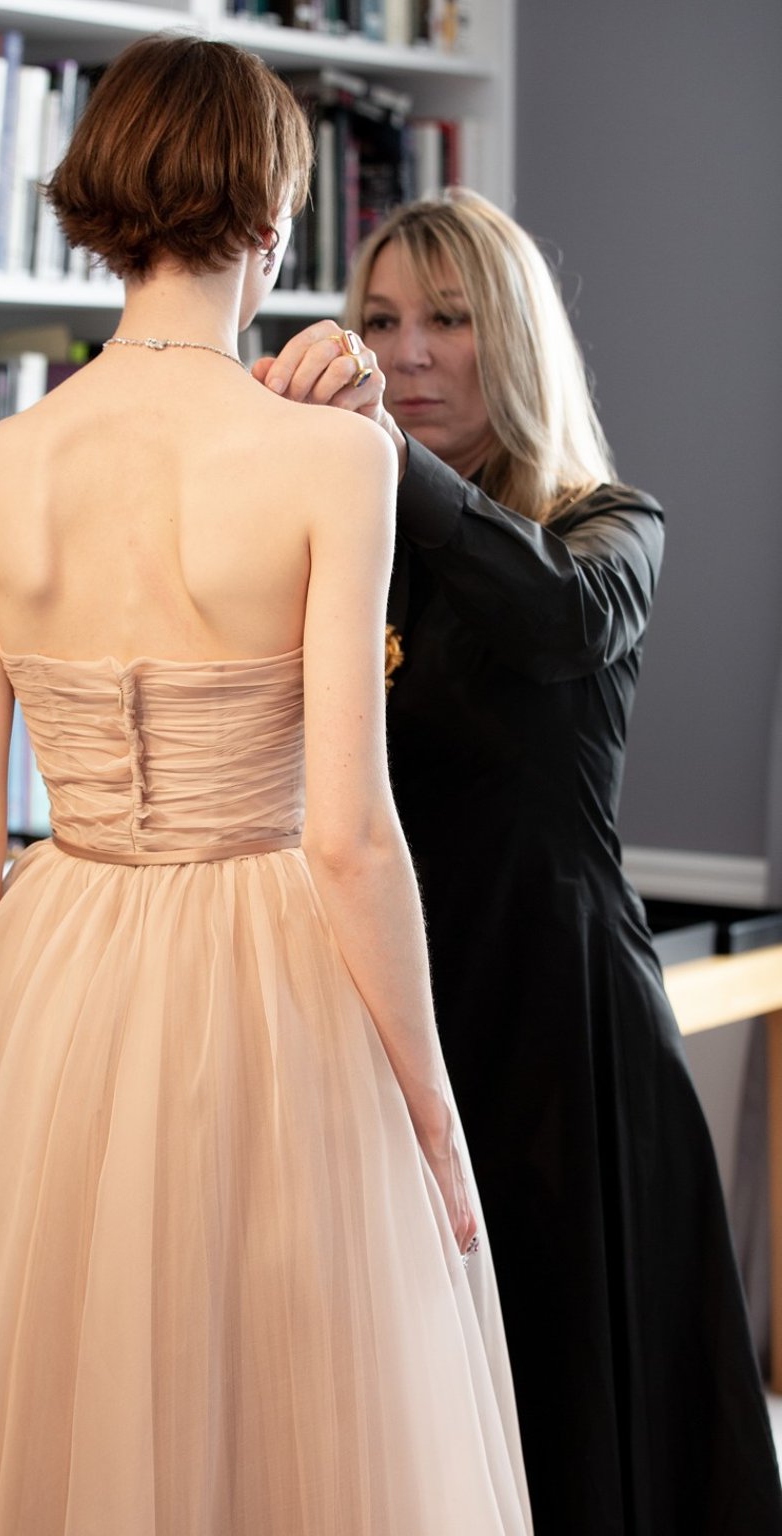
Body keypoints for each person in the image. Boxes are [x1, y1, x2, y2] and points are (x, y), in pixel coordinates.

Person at [0, 43, 533, 1535]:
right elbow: (348, 835)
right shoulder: (329, 463)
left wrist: (0, 1068)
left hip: (59, 964)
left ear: (103, 211)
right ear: (275, 223)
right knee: (286, 1430)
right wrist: (428, 1102)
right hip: (271, 972)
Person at [253, 190, 782, 1536]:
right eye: (378, 319)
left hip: (563, 1028)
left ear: (518, 338)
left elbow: (555, 620)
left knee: (564, 1389)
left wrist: (378, 451)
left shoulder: (613, 524)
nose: (405, 352)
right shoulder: (351, 545)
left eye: (447, 318)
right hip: (389, 1018)